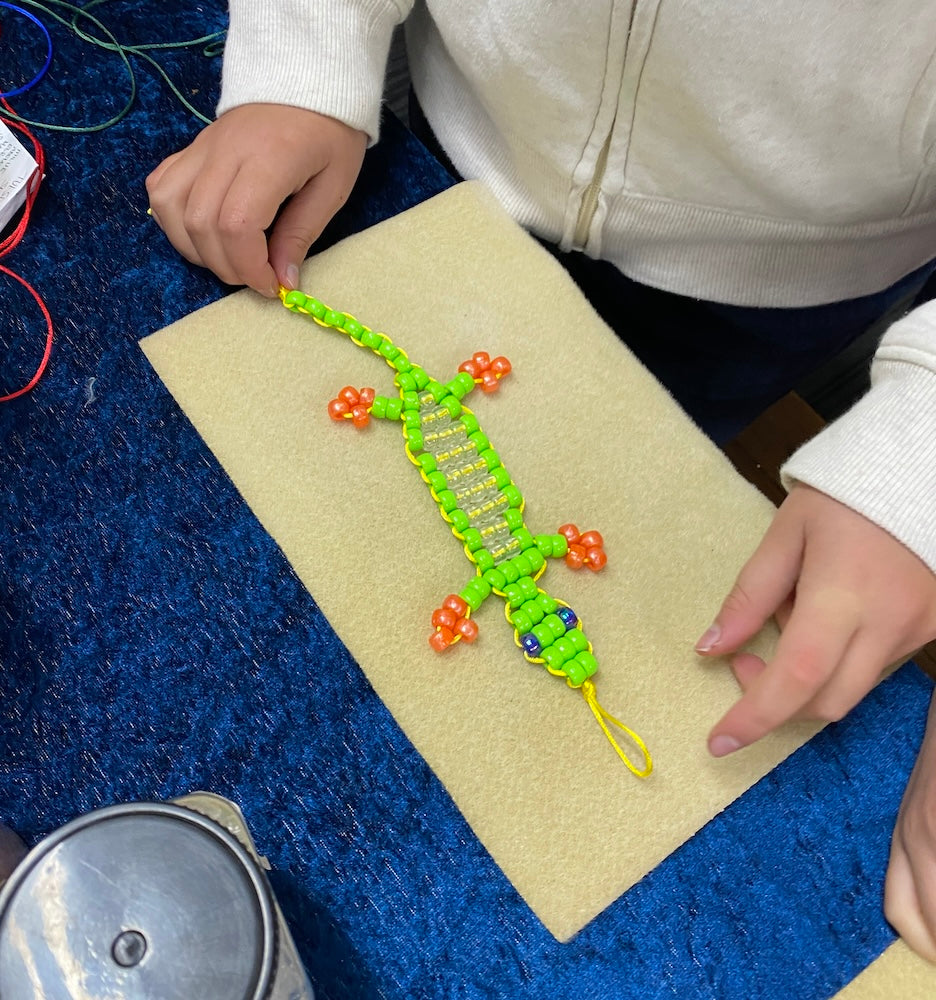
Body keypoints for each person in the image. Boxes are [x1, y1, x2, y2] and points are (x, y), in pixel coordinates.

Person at [146, 0, 936, 961]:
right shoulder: (508, 556)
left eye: (540, 631)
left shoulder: (506, 572)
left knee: (679, 446)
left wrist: (920, 464)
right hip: (450, 147)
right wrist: (308, 49)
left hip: (776, 279)